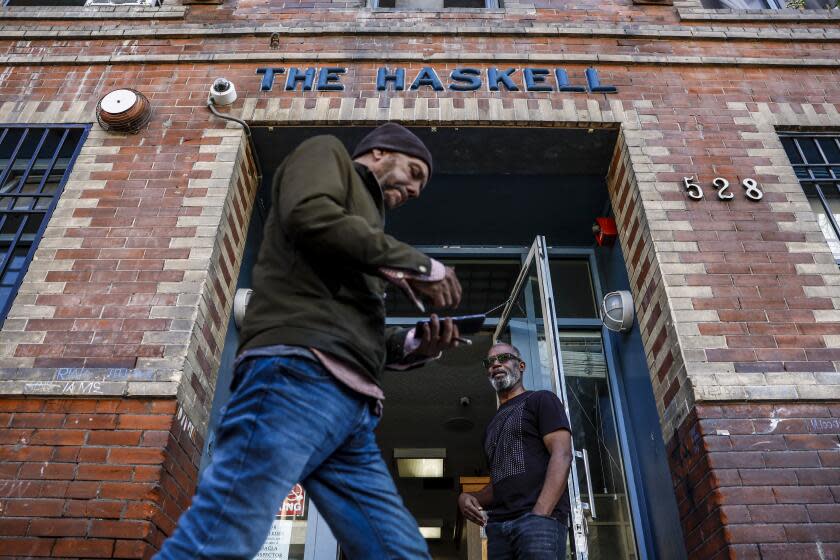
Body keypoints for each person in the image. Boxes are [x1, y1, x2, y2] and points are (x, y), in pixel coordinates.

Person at [156, 123, 464, 560]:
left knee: (400, 553)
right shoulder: (327, 154)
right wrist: (419, 266)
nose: (415, 188)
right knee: (219, 541)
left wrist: (417, 344)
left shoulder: (365, 236)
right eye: (413, 171)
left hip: (351, 414)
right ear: (378, 153)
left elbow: (357, 331)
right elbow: (309, 215)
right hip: (294, 378)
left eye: (421, 184)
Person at [458, 343, 574, 560]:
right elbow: (499, 484)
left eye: (503, 358)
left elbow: (563, 454)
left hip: (538, 521)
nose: (495, 364)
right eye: (489, 362)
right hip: (499, 530)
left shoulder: (540, 400)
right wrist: (468, 497)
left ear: (521, 366)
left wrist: (539, 515)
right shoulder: (491, 428)